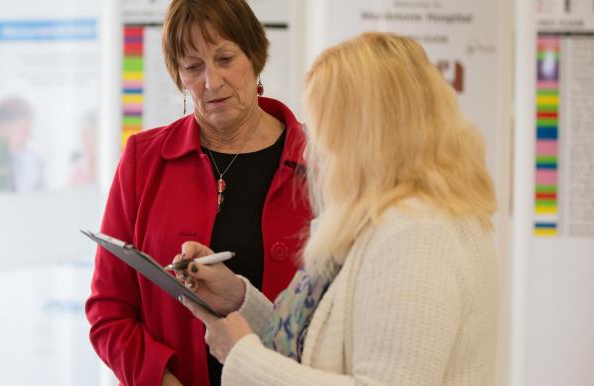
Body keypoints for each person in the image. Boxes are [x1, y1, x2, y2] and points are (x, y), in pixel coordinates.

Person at [179, 32, 500, 385]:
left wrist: (243, 358)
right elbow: (321, 343)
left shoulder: (417, 234)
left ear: (365, 134)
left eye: (323, 129)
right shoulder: (390, 217)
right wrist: (239, 299)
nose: (312, 149)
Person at [84, 1, 312, 385]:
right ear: (178, 77)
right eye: (193, 67)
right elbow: (108, 308)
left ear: (255, 56)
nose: (212, 81)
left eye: (225, 58)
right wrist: (161, 378)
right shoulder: (144, 159)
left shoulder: (320, 162)